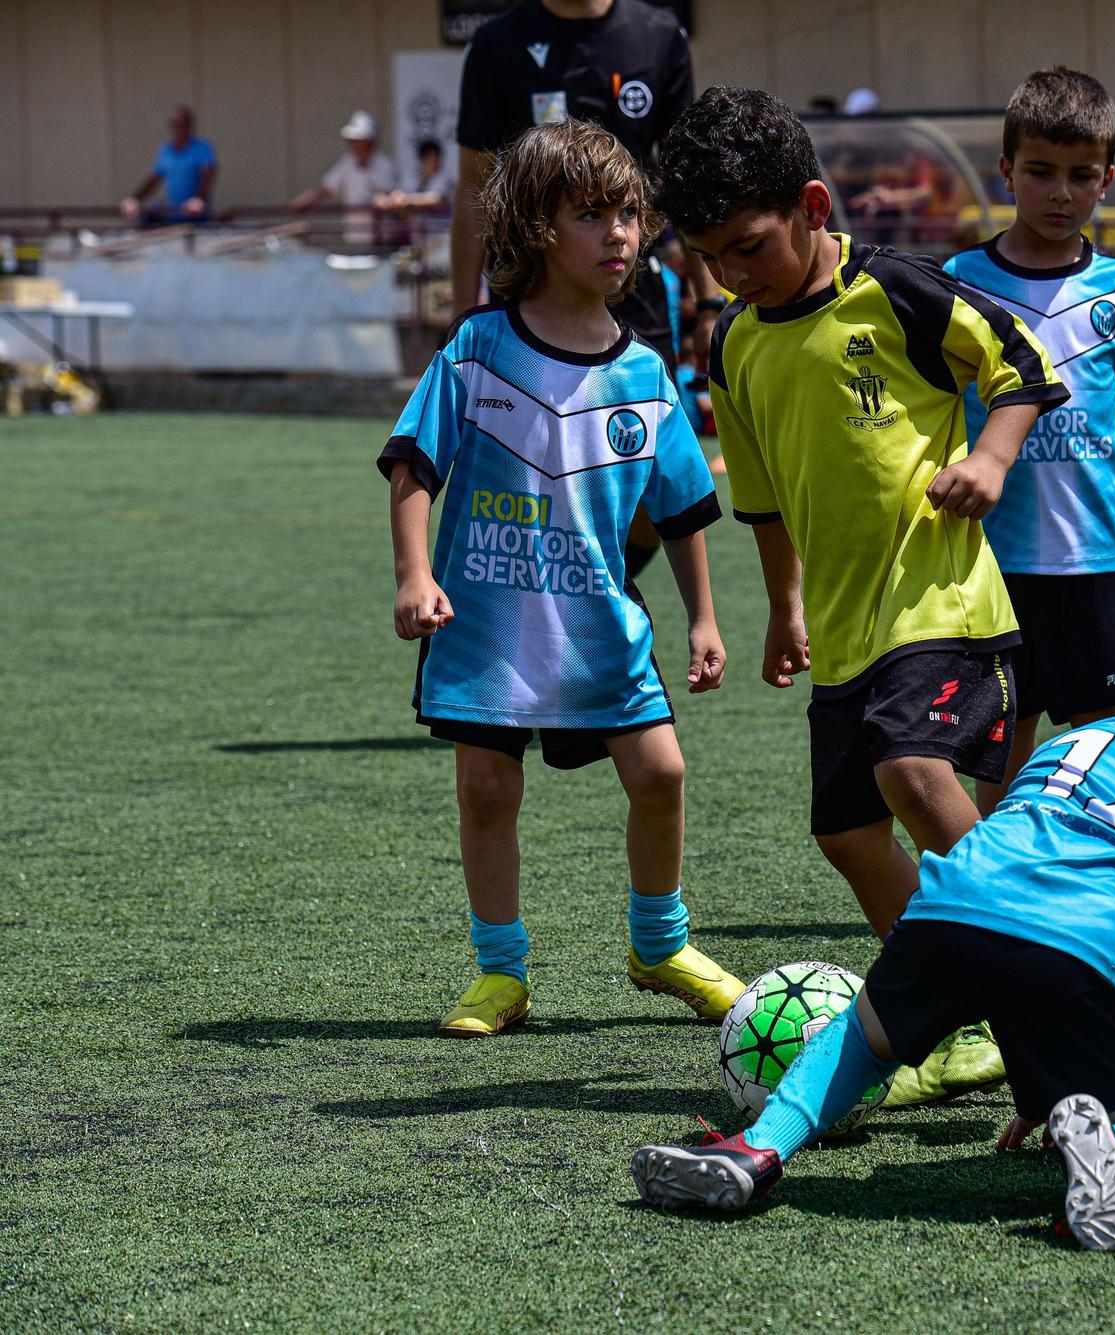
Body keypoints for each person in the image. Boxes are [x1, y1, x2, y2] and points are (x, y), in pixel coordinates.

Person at [631, 598, 1115, 1252]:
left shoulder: (1076, 742)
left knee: (863, 1034)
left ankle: (759, 1147)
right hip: (1083, 950)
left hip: (954, 900)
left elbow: (1016, 895)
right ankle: (1113, 1154)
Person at [657, 87, 1068, 1101]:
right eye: (708, 257)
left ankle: (1055, 963)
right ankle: (961, 1016)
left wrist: (994, 460)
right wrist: (783, 608)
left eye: (746, 246)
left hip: (942, 606)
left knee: (912, 775)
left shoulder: (895, 291)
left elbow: (1019, 362)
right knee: (845, 834)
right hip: (844, 631)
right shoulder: (734, 346)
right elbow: (759, 496)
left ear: (811, 205)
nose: (729, 273)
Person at [376, 119, 743, 1037]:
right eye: (593, 214)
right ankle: (501, 972)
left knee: (661, 772)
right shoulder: (477, 348)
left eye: (629, 213)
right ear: (537, 228)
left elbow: (686, 507)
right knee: (487, 790)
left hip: (597, 625)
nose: (621, 233)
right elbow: (414, 465)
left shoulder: (646, 374)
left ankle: (658, 945)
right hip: (487, 621)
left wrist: (703, 617)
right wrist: (415, 575)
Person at [941, 67, 1115, 817]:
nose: (1060, 193)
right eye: (1041, 172)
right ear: (1007, 170)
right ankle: (993, 885)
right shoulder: (961, 281)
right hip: (994, 561)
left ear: (1107, 180)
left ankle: (1098, 880)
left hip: (1098, 559)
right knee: (1001, 746)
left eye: (1082, 176)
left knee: (1103, 744)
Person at [450, 0, 704, 590]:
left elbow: (684, 177)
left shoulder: (658, 35)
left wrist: (709, 299)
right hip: (529, 303)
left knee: (645, 487)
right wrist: (465, 307)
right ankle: (556, 607)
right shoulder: (496, 44)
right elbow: (471, 188)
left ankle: (596, 591)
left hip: (634, 293)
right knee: (541, 476)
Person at [290, 111, 399, 244]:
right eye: (351, 140)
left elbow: (393, 198)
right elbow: (327, 187)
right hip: (355, 237)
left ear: (370, 141)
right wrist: (307, 201)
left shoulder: (385, 165)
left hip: (383, 239)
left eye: (357, 140)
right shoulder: (348, 162)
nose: (352, 144)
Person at [121, 105, 216, 223]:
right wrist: (134, 199)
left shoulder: (201, 148)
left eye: (182, 125)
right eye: (175, 125)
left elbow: (208, 175)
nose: (178, 129)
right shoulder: (166, 150)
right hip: (174, 215)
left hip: (196, 217)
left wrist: (198, 200)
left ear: (190, 126)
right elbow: (154, 179)